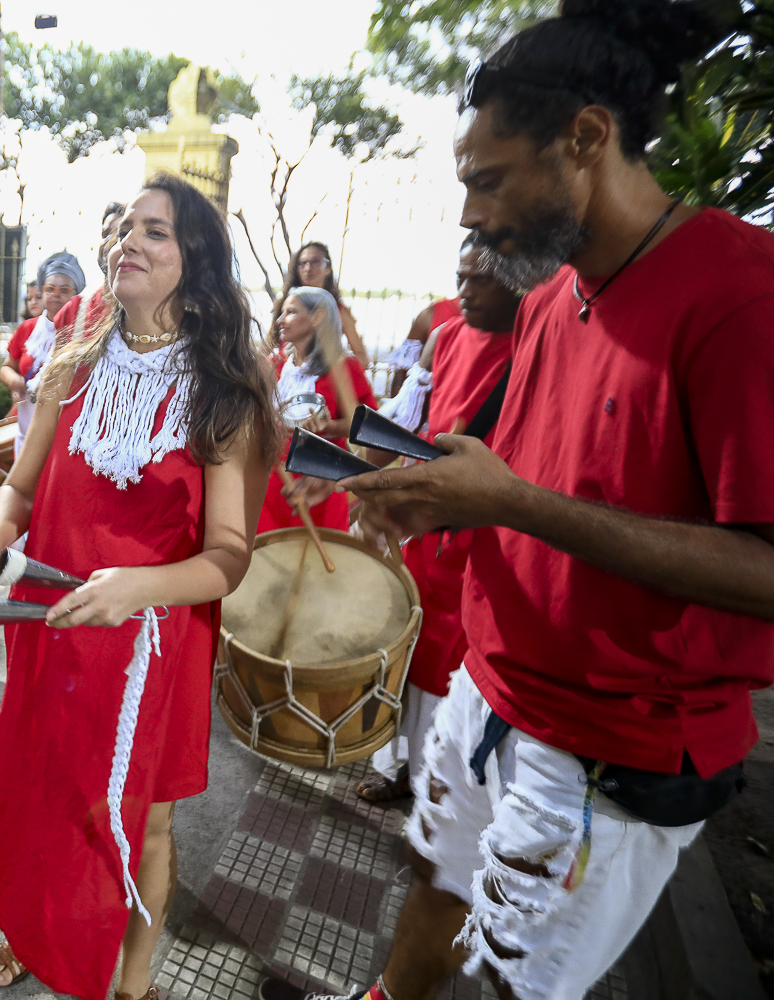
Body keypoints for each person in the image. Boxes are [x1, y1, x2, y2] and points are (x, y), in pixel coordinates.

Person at [301, 3, 774, 999]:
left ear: (587, 139)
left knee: (516, 978)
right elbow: (519, 477)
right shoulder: (555, 298)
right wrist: (422, 496)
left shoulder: (742, 293)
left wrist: (512, 503)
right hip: (496, 685)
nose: (469, 215)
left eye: (486, 179)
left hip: (613, 747)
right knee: (435, 877)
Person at [0, 173, 277, 1000]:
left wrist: (139, 588)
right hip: (54, 620)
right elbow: (19, 490)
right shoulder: (78, 341)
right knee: (47, 790)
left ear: (194, 265)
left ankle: (133, 980)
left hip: (153, 642)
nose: (129, 240)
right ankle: (38, 930)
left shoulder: (225, 388)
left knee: (144, 821)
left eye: (155, 232)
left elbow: (229, 555)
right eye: (126, 226)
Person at [350, 234, 522, 804]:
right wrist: (363, 482)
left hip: (488, 534)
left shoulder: (536, 345)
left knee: (455, 661)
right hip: (428, 528)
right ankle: (400, 764)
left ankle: (438, 784)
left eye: (480, 280)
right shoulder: (444, 338)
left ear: (519, 282)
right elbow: (406, 420)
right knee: (414, 646)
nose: (463, 292)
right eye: (460, 277)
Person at [259, 286, 377, 533]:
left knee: (318, 560)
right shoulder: (276, 364)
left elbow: (366, 427)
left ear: (317, 317)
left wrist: (329, 426)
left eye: (290, 312)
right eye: (282, 312)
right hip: (274, 483)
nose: (280, 320)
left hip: (319, 480)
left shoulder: (344, 368)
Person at [0, 252, 83, 456]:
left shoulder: (84, 333)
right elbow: (6, 367)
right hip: (26, 433)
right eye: (49, 288)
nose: (55, 294)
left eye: (64, 290)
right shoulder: (27, 329)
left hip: (65, 439)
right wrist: (15, 381)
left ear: (76, 295)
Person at [284, 242, 371, 367]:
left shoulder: (339, 310)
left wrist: (334, 363)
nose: (308, 268)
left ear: (328, 268)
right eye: (302, 263)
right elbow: (266, 348)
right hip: (284, 375)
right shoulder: (285, 307)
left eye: (315, 262)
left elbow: (363, 359)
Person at [52, 200, 126, 340]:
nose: (109, 242)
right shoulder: (73, 311)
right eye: (105, 234)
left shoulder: (147, 314)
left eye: (120, 235)